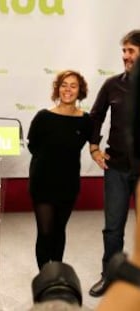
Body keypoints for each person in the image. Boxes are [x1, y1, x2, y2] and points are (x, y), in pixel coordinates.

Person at [88, 29, 140, 297]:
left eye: (130, 51)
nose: (125, 56)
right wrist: (94, 148)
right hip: (117, 168)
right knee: (113, 228)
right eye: (124, 51)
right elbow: (95, 116)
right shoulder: (112, 85)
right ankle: (110, 277)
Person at [27, 70, 92, 270]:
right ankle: (44, 277)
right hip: (43, 182)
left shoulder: (86, 120)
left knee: (59, 230)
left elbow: (91, 144)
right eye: (64, 85)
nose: (68, 89)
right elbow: (32, 145)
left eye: (73, 85)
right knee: (45, 232)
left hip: (68, 183)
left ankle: (56, 274)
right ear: (58, 88)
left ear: (80, 91)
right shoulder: (43, 117)